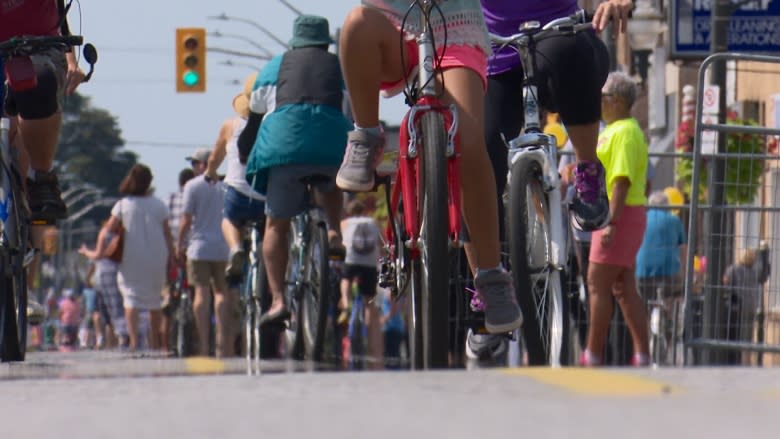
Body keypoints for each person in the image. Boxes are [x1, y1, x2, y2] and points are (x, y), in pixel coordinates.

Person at [333, 0, 523, 335]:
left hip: (455, 28)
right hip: (394, 25)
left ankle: (491, 275)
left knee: (468, 139)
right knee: (355, 24)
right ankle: (365, 134)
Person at [238, 15, 350, 325]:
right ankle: (334, 232)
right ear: (324, 42)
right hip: (331, 146)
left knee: (275, 225)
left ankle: (277, 301)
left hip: (284, 150)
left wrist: (245, 151)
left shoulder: (274, 67)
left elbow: (256, 113)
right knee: (333, 179)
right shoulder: (339, 66)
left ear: (295, 42)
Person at [581, 71, 649, 366]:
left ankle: (592, 353)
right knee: (623, 287)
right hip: (627, 213)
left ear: (617, 101)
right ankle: (642, 354)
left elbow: (621, 180)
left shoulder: (623, 132)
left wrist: (611, 221)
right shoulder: (623, 129)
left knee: (597, 283)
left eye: (603, 97)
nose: (598, 102)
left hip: (617, 212)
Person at [1, 0, 86, 222]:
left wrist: (71, 61)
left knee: (39, 82)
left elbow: (59, 11)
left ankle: (41, 180)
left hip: (38, 47)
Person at [90, 164, 175, 351]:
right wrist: (172, 257)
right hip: (157, 256)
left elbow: (106, 231)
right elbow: (167, 234)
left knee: (131, 298)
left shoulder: (122, 205)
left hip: (131, 256)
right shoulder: (159, 205)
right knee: (154, 300)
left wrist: (98, 251)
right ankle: (155, 342)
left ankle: (135, 342)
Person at [205, 73, 266, 279]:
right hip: (266, 195)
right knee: (274, 231)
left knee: (229, 219)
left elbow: (215, 157)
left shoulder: (230, 126)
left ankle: (236, 248)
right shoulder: (271, 125)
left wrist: (211, 172)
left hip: (238, 193)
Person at [177, 150, 233, 357]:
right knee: (222, 292)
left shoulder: (192, 186)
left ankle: (203, 339)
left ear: (202, 164)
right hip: (223, 246)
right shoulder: (226, 185)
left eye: (194, 163)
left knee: (201, 293)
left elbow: (186, 220)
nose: (193, 168)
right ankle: (221, 338)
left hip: (199, 247)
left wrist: (179, 244)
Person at [340, 198, 383, 368]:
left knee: (345, 278)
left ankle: (345, 300)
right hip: (369, 264)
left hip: (351, 261)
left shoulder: (345, 223)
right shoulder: (373, 222)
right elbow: (380, 243)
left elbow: (342, 243)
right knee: (369, 301)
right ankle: (369, 325)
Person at [79, 221, 129, 348]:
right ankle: (122, 337)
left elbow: (97, 255)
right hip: (123, 271)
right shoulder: (125, 233)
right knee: (122, 305)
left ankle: (119, 337)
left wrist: (85, 252)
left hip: (105, 275)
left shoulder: (105, 233)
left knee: (109, 310)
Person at [636, 191, 687, 314]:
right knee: (675, 295)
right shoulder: (675, 221)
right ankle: (672, 321)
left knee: (642, 302)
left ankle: (644, 324)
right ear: (668, 205)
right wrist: (684, 274)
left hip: (643, 274)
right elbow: (684, 250)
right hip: (669, 274)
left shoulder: (641, 219)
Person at [722, 247, 770, 365]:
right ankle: (746, 361)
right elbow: (763, 277)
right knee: (747, 337)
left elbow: (725, 283)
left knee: (735, 335)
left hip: (738, 307)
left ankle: (735, 361)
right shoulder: (754, 272)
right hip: (751, 307)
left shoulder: (733, 269)